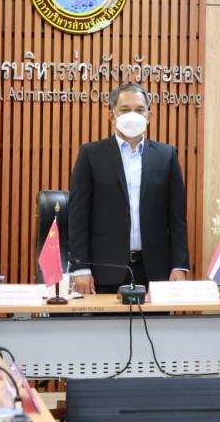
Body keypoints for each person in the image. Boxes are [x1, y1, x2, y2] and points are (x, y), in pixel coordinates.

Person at [67, 84, 191, 293]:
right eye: (125, 110)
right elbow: (78, 216)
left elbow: (177, 218)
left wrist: (179, 266)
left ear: (149, 116)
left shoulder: (166, 155)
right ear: (112, 115)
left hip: (157, 272)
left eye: (140, 110)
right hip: (104, 271)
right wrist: (80, 268)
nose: (133, 115)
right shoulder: (91, 155)